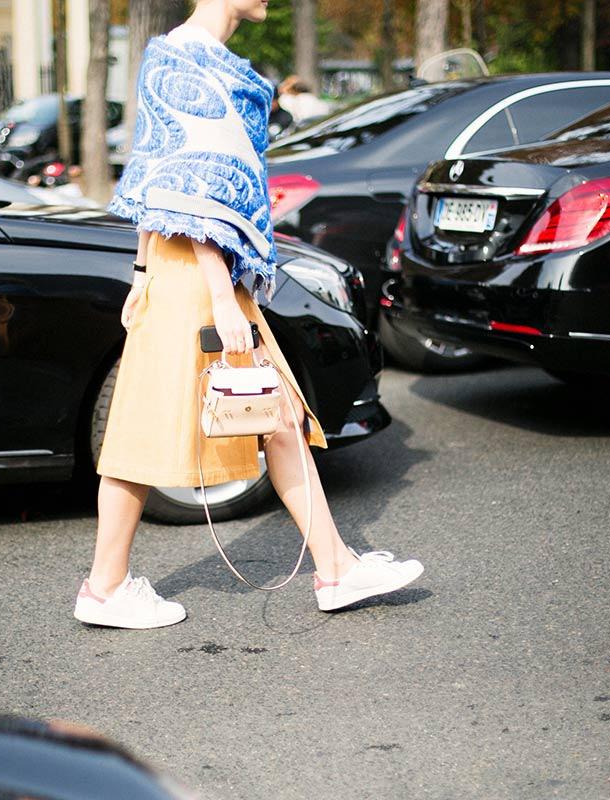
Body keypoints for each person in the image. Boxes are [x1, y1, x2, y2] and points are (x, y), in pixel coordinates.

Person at [77, 0, 423, 630]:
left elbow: (163, 177)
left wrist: (142, 271)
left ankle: (334, 567)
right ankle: (106, 587)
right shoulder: (185, 59)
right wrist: (210, 292)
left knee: (273, 416)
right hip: (198, 275)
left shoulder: (192, 60)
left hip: (185, 271)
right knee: (171, 427)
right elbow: (190, 184)